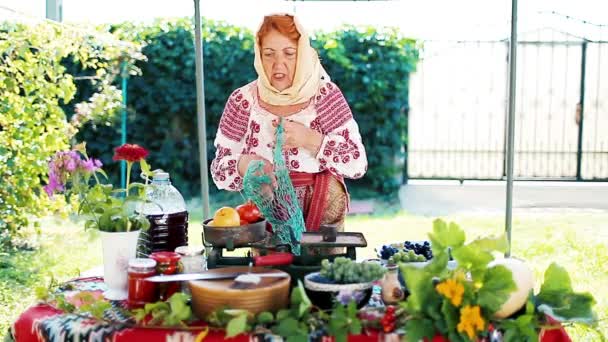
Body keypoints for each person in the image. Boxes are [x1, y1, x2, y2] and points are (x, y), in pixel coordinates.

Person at [211, 14, 367, 239]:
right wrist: (244, 163)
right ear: (259, 55)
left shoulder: (325, 95)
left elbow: (357, 163)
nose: (278, 65)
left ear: (302, 54)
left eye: (289, 54)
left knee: (322, 273)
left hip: (324, 210)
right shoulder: (242, 100)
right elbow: (219, 170)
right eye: (269, 54)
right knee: (272, 273)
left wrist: (308, 139)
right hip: (265, 213)